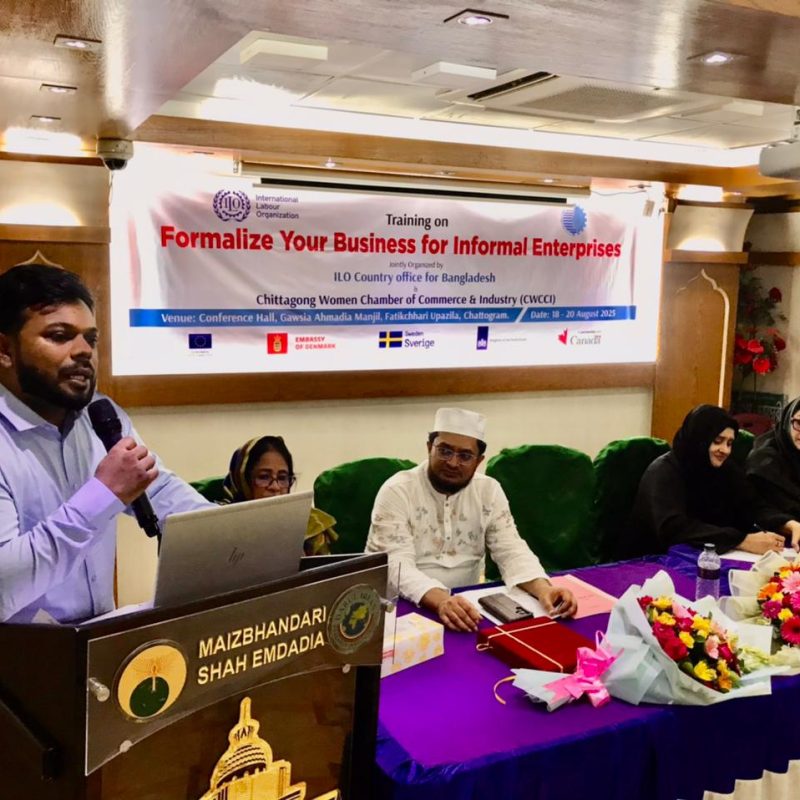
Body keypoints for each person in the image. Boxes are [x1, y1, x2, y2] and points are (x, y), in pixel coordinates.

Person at [0, 264, 211, 624]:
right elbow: (4, 584)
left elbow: (162, 493)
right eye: (60, 336)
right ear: (5, 349)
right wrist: (102, 495)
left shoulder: (100, 416)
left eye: (91, 339)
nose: (84, 351)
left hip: (99, 642)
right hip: (22, 653)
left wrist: (236, 534)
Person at [365, 407, 577, 632]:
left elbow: (511, 550)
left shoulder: (488, 491)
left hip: (466, 606)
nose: (453, 462)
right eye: (444, 451)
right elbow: (395, 567)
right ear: (429, 448)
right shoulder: (398, 491)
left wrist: (544, 590)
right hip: (401, 607)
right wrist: (442, 600)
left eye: (465, 456)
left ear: (479, 461)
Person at [627, 404, 787, 556]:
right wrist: (741, 541)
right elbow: (673, 528)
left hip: (709, 555)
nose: (725, 450)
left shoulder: (725, 469)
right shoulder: (664, 471)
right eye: (718, 441)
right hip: (653, 561)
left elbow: (753, 505)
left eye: (729, 443)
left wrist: (787, 524)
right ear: (700, 438)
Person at [221, 435, 338, 555]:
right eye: (264, 477)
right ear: (243, 481)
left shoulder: (309, 524)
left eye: (282, 478)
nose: (275, 487)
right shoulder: (221, 527)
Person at [746, 396, 800, 551]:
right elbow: (753, 508)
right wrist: (788, 524)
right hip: (771, 544)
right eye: (799, 424)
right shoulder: (764, 460)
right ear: (787, 422)